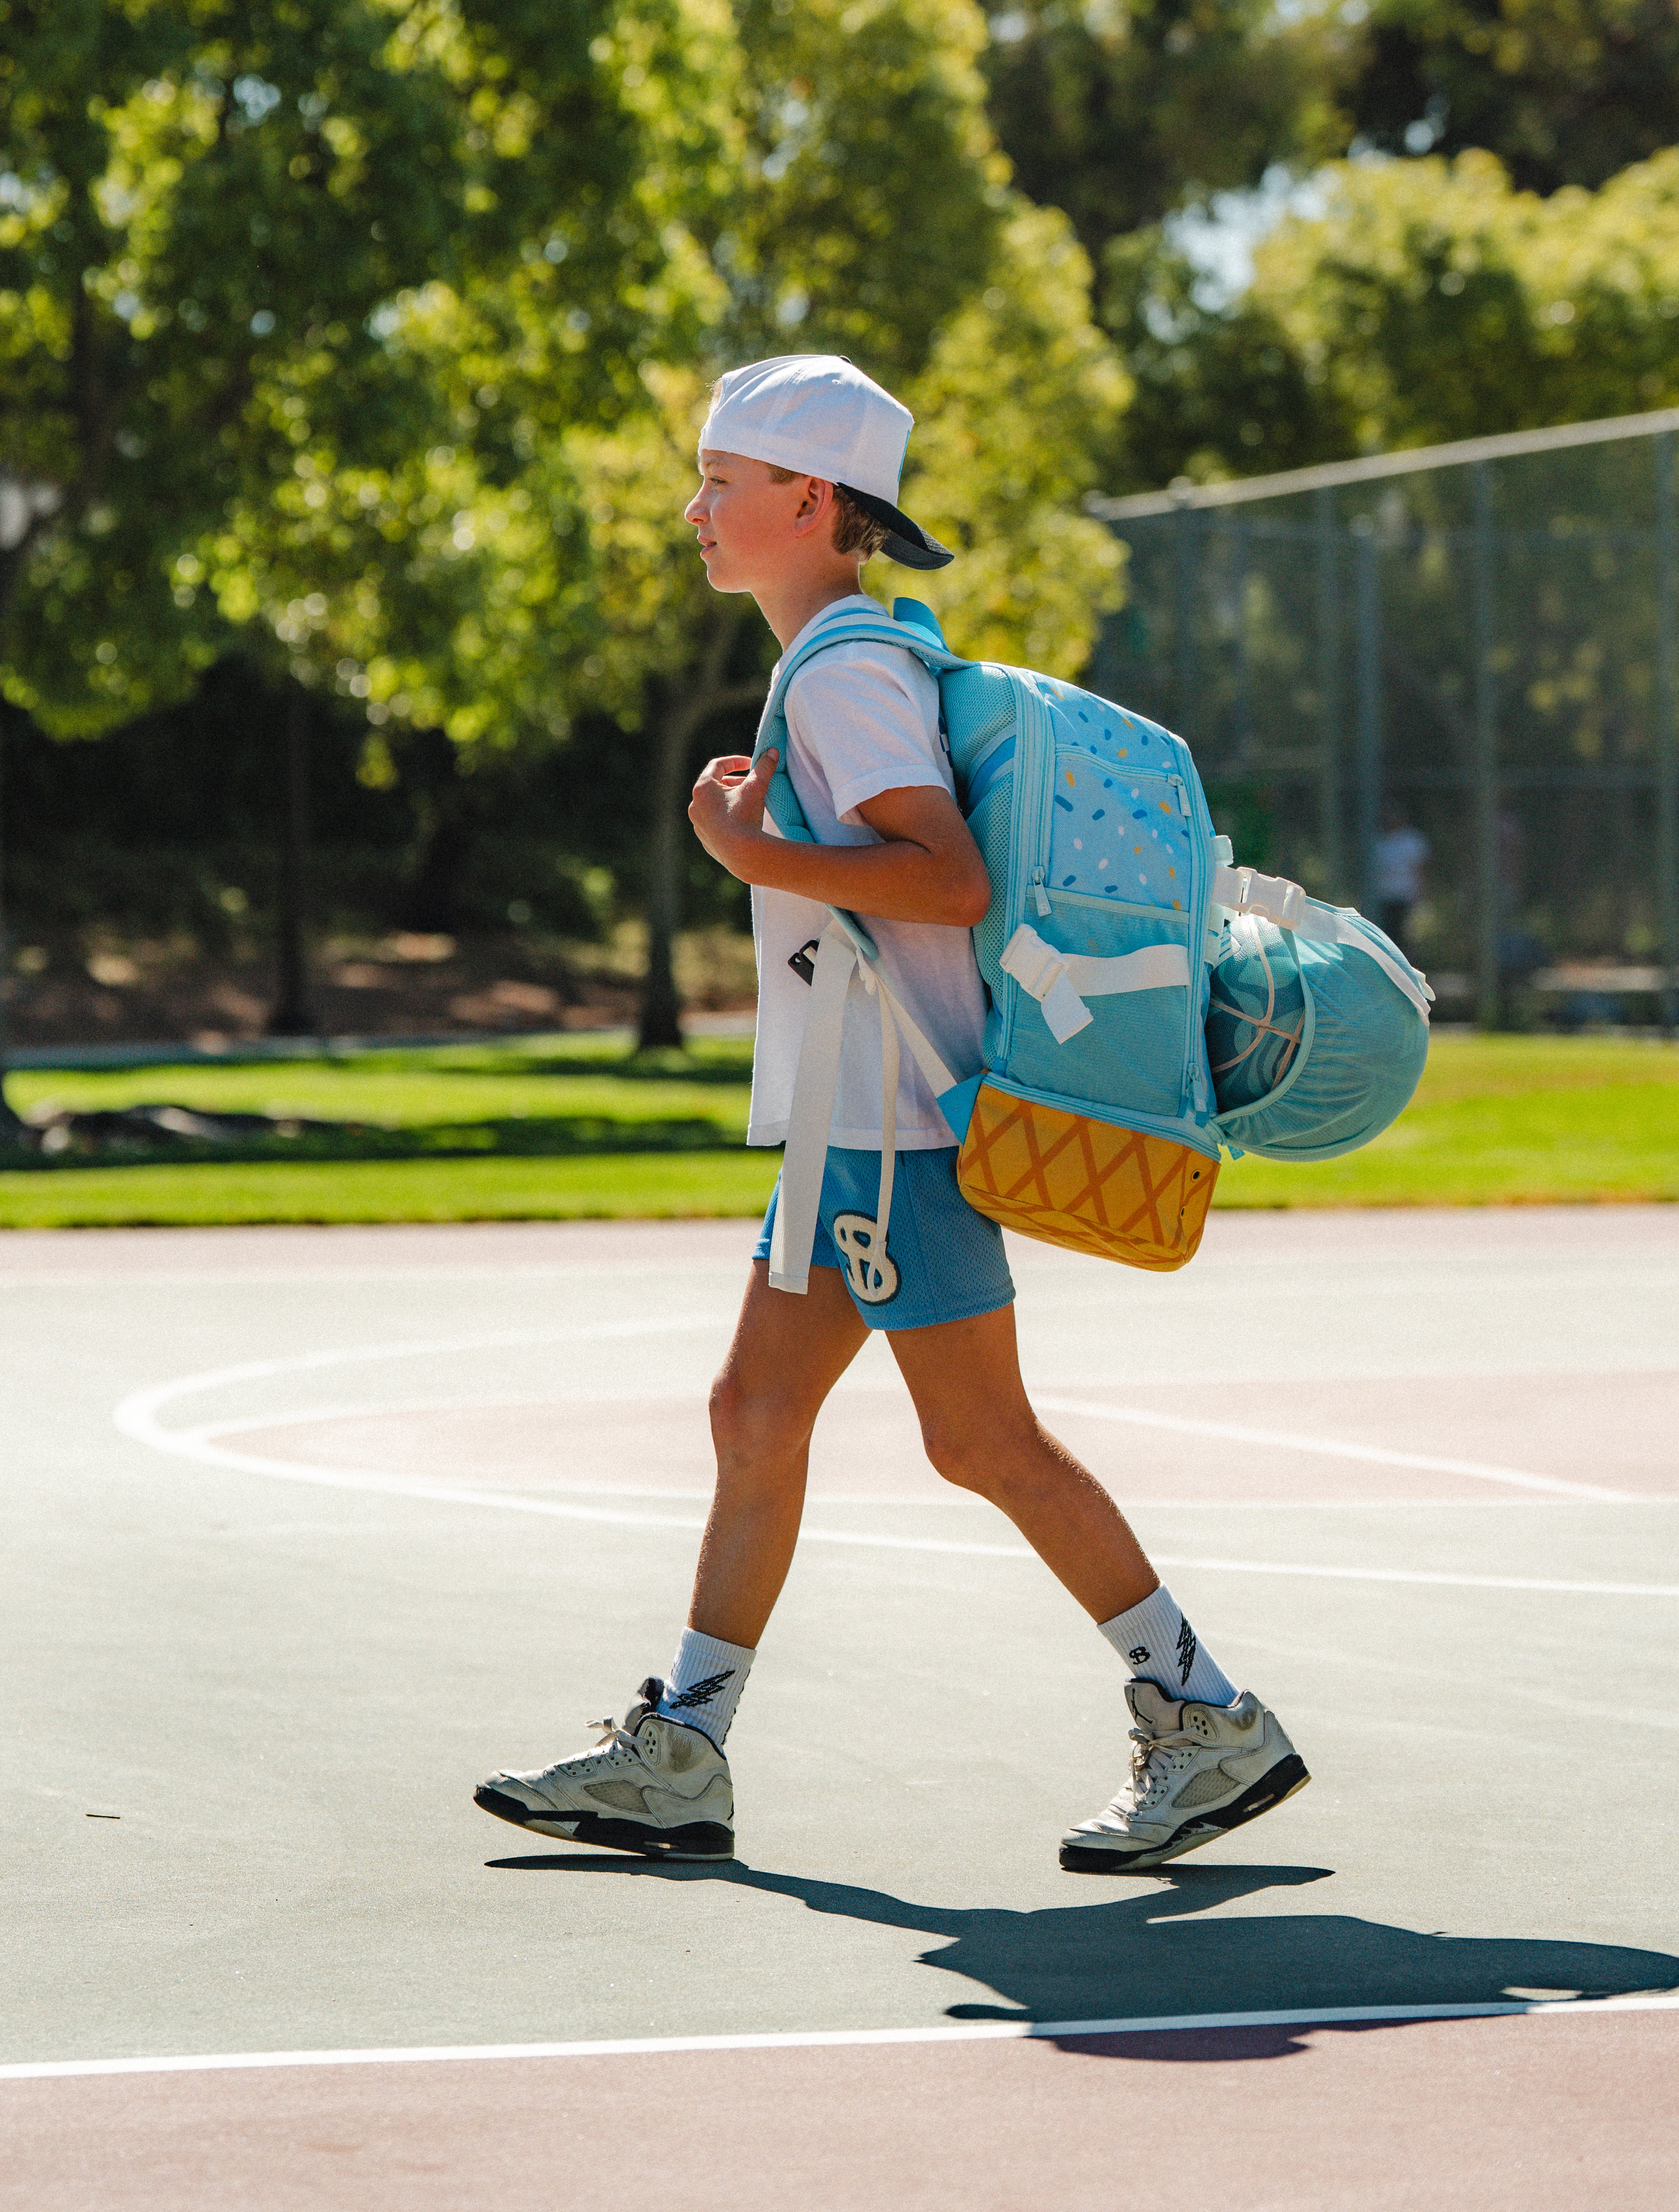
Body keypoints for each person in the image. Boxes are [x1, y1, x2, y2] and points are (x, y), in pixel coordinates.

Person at [474, 355, 1308, 1872]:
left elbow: (945, 875)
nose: (695, 508)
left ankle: (1207, 1712)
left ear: (810, 501)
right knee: (757, 1414)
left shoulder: (852, 674)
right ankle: (685, 1751)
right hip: (846, 1133)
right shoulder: (846, 661)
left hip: (901, 1132)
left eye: (722, 485)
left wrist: (746, 851)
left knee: (983, 1439)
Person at [1372, 804, 1429, 960]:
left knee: (1405, 938)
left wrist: (1421, 894)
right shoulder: (1376, 841)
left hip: (1405, 896)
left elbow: (1420, 870)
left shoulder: (1411, 840)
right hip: (1382, 898)